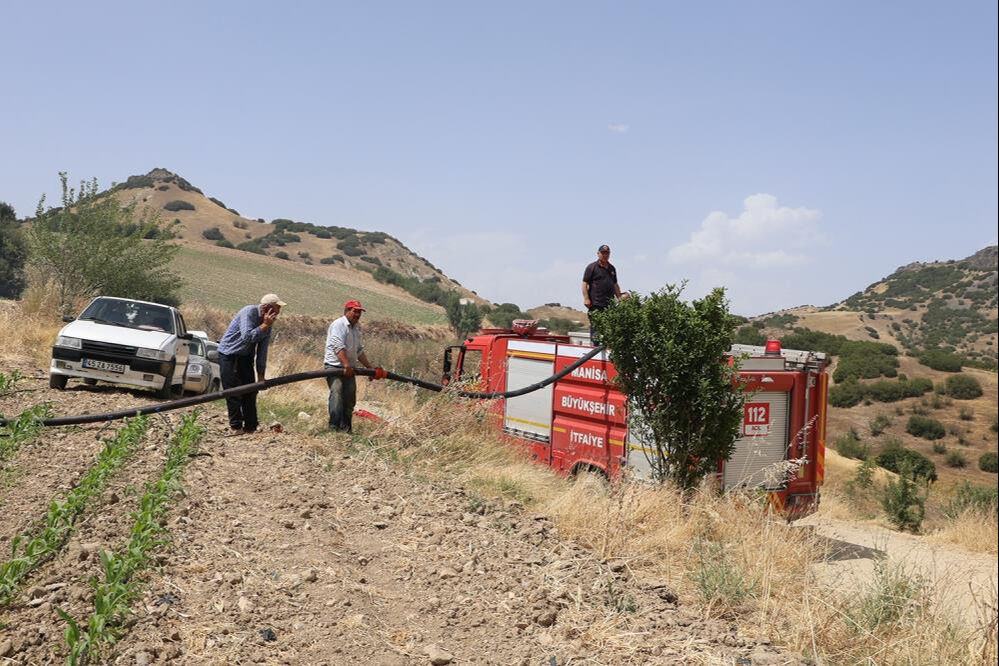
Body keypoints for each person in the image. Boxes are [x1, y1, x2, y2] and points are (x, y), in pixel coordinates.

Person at [217, 293, 285, 435]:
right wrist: (264, 325)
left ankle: (251, 427)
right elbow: (247, 337)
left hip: (246, 356)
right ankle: (236, 427)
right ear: (266, 308)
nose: (278, 312)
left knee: (250, 391)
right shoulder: (249, 312)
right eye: (276, 308)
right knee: (233, 392)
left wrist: (261, 375)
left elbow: (262, 350)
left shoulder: (268, 322)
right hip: (230, 354)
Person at [324, 300, 386, 432]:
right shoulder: (338, 325)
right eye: (355, 311)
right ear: (347, 311)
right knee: (337, 392)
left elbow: (358, 351)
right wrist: (345, 364)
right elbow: (337, 346)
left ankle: (346, 429)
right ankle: (334, 427)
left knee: (350, 398)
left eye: (359, 312)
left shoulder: (356, 328)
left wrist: (370, 368)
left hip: (349, 368)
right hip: (334, 366)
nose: (357, 314)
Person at [581, 244, 625, 343]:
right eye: (603, 253)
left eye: (607, 253)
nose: (605, 255)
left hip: (609, 305)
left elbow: (615, 284)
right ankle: (594, 349)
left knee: (609, 329)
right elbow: (584, 283)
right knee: (596, 329)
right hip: (596, 303)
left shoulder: (612, 269)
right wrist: (586, 298)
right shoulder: (591, 267)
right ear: (598, 254)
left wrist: (619, 297)